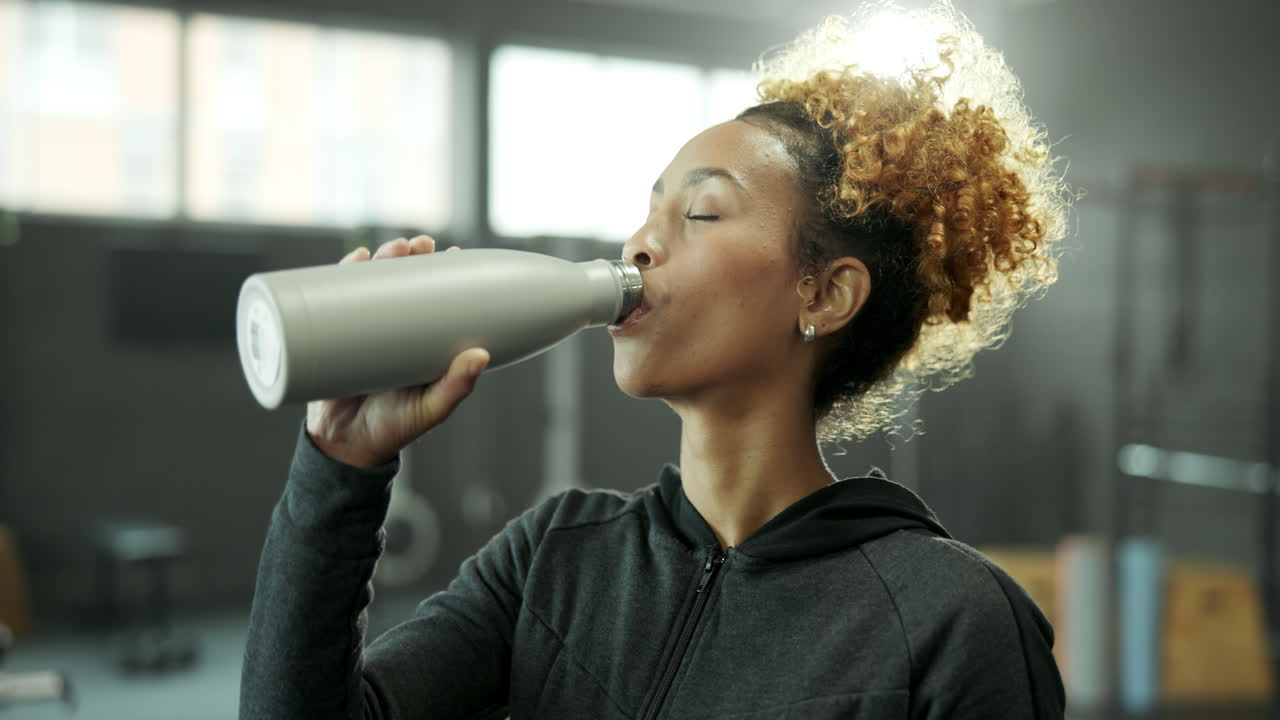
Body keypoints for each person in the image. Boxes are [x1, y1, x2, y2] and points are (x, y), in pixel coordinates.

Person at [240, 3, 1070, 718]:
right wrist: (340, 471)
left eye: (703, 212)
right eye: (647, 210)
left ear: (823, 295)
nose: (640, 243)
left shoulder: (952, 624)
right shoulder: (554, 559)